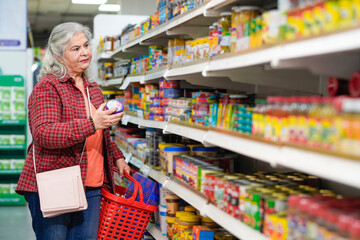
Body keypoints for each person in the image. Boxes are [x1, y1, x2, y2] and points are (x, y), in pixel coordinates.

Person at [16, 22, 130, 240]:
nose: (85, 52)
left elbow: (100, 134)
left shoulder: (93, 88)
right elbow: (44, 134)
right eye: (75, 49)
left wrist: (117, 158)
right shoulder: (48, 87)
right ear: (59, 56)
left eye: (86, 45)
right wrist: (92, 123)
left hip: (92, 185)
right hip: (55, 183)